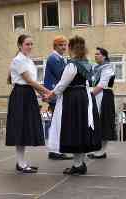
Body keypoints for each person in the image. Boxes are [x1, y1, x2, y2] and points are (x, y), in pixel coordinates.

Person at [46, 36, 101, 175]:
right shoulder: (87, 63)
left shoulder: (73, 64)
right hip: (84, 97)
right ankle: (80, 163)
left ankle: (77, 165)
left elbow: (62, 84)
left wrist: (51, 95)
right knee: (81, 130)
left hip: (73, 99)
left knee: (74, 130)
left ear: (71, 48)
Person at [6, 34, 49, 173]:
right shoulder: (18, 60)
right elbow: (29, 81)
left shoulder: (28, 60)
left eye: (31, 44)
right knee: (21, 129)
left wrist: (42, 94)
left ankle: (22, 162)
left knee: (24, 129)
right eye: (27, 44)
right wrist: (48, 91)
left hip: (27, 94)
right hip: (20, 95)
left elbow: (31, 83)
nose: (30, 47)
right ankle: (21, 163)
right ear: (20, 45)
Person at [43, 36, 73, 160]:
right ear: (55, 46)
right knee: (57, 123)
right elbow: (62, 74)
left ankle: (57, 149)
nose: (64, 47)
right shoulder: (53, 58)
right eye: (61, 45)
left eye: (65, 45)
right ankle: (55, 150)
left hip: (57, 94)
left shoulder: (61, 58)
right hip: (54, 94)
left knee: (58, 122)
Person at [88, 47, 116, 159]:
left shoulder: (107, 68)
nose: (96, 56)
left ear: (104, 56)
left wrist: (89, 96)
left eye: (98, 54)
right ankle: (98, 150)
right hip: (98, 95)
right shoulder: (97, 68)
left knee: (104, 122)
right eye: (95, 54)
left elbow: (101, 85)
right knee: (98, 121)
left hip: (105, 96)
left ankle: (101, 151)